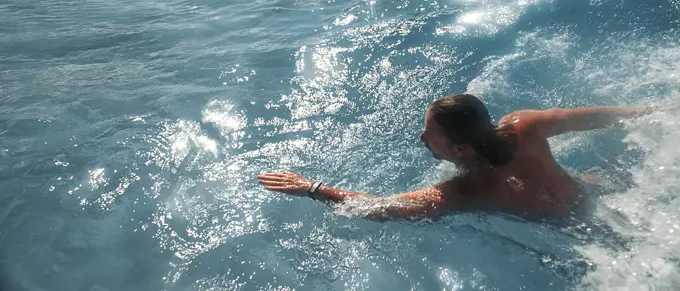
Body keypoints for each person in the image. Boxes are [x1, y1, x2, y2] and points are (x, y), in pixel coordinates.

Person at [258, 94, 654, 221]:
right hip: (592, 199)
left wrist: (312, 188)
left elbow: (383, 208)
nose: (421, 138)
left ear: (460, 150)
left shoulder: (468, 188)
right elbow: (595, 118)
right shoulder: (525, 125)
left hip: (571, 236)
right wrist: (653, 113)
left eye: (429, 135)